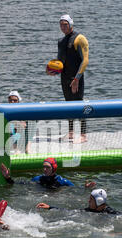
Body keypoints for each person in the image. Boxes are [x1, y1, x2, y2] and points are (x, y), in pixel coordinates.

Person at [47, 14, 89, 143]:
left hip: (75, 79)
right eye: (61, 24)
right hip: (64, 78)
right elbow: (60, 62)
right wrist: (52, 70)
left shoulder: (79, 38)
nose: (63, 27)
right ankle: (70, 132)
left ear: (71, 24)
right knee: (68, 104)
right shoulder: (61, 41)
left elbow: (85, 61)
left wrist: (76, 79)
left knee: (79, 104)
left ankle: (83, 134)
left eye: (65, 24)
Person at [0, 157, 76, 189]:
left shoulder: (62, 181)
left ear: (54, 168)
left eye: (48, 167)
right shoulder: (38, 179)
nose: (45, 169)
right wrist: (8, 178)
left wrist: (86, 188)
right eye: (44, 167)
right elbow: (19, 184)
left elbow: (77, 189)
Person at [36, 188, 120, 214]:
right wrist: (50, 207)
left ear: (99, 201)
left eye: (91, 199)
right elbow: (69, 211)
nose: (88, 201)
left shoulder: (110, 213)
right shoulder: (87, 210)